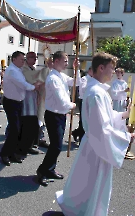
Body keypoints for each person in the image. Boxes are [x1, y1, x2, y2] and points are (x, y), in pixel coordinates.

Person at [56, 52, 134, 216]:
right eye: (111, 68)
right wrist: (126, 137)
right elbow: (102, 128)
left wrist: (122, 115)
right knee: (91, 184)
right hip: (97, 148)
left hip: (92, 144)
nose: (113, 72)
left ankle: (79, 210)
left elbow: (104, 117)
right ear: (101, 68)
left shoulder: (96, 89)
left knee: (84, 183)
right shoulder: (97, 93)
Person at [36, 51, 81, 187]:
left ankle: (50, 169)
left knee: (57, 145)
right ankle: (42, 171)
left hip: (60, 115)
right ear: (56, 61)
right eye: (65, 60)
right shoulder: (53, 78)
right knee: (55, 146)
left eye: (67, 61)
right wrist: (72, 105)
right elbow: (62, 101)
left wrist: (76, 69)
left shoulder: (60, 75)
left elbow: (76, 82)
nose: (67, 63)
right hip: (53, 115)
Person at [0, 51, 40, 166]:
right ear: (14, 60)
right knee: (15, 129)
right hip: (11, 103)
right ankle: (4, 153)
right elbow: (23, 84)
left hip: (17, 102)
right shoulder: (12, 71)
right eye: (22, 59)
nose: (24, 61)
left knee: (17, 129)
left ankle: (11, 153)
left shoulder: (18, 70)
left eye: (24, 59)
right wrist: (34, 87)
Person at [18, 51, 51, 156]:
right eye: (32, 57)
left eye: (36, 57)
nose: (35, 59)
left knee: (33, 125)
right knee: (27, 125)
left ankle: (30, 145)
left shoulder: (33, 69)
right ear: (27, 58)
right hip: (26, 100)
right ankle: (23, 147)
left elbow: (37, 78)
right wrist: (46, 69)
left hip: (34, 99)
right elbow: (32, 77)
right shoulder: (24, 69)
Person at [72, 66, 93, 142]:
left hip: (89, 100)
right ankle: (81, 138)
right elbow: (83, 89)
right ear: (89, 71)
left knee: (87, 120)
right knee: (83, 120)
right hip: (83, 100)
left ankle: (76, 133)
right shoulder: (85, 79)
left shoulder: (92, 79)